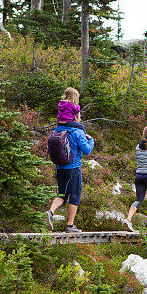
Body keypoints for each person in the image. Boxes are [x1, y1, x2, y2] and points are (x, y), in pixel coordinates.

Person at [45, 89, 95, 233]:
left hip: (60, 167)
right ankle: (70, 225)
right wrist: (91, 141)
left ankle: (50, 212)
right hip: (73, 168)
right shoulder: (78, 132)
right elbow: (86, 150)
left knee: (62, 194)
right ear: (75, 115)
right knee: (74, 196)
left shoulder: (58, 129)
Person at [123, 126, 147, 232]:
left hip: (139, 176)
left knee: (139, 199)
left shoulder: (137, 147)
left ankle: (128, 219)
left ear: (143, 134)